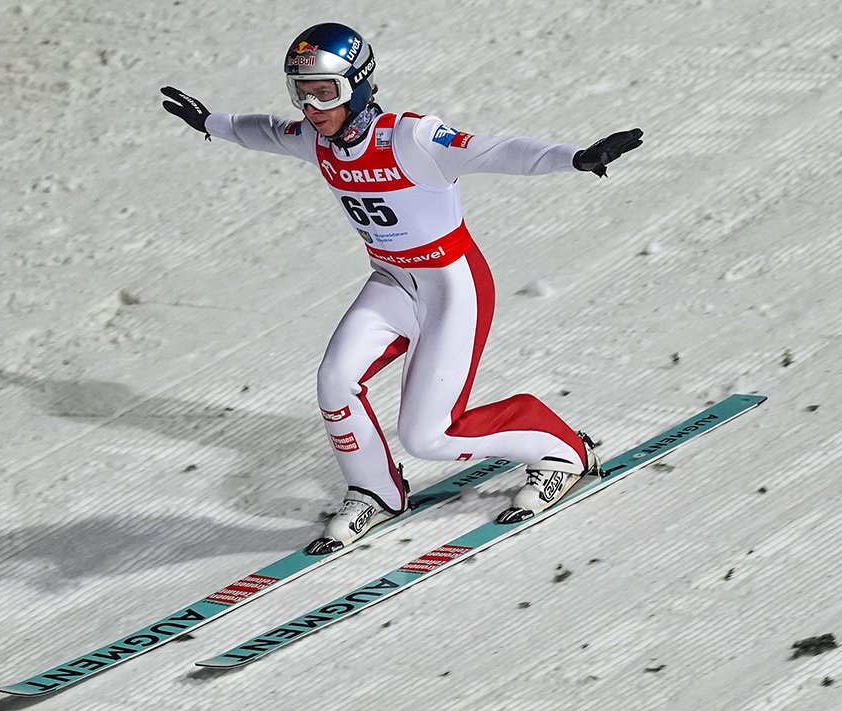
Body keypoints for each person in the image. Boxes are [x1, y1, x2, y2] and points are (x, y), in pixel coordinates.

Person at [161, 22, 642, 555]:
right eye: (302, 93)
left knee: (429, 437)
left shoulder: (411, 139)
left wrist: (572, 157)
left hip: (451, 287)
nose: (313, 108)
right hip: (392, 279)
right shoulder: (317, 139)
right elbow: (264, 131)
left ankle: (562, 449)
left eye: (327, 92)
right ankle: (375, 489)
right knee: (335, 381)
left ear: (361, 85)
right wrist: (209, 121)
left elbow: (495, 151)